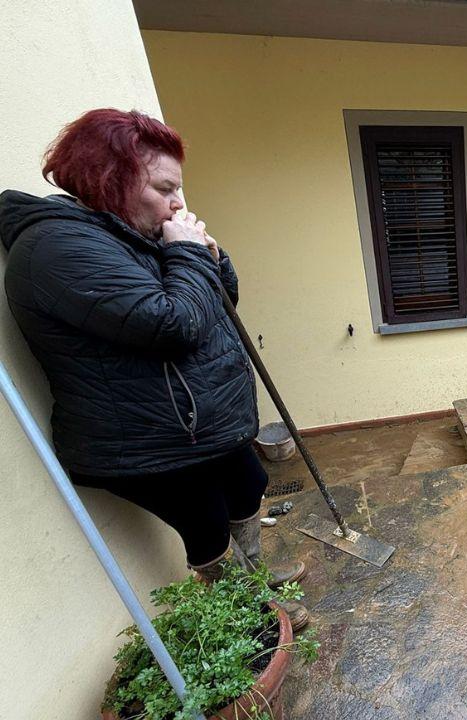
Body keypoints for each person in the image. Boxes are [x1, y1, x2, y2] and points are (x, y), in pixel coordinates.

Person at [0, 109, 307, 628]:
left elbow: (218, 303)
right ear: (109, 179)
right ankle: (247, 617)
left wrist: (209, 255)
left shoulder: (124, 236)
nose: (178, 202)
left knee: (250, 482)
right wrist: (185, 256)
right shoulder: (59, 248)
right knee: (206, 523)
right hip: (142, 440)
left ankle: (255, 572)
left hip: (195, 425)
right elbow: (173, 325)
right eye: (165, 188)